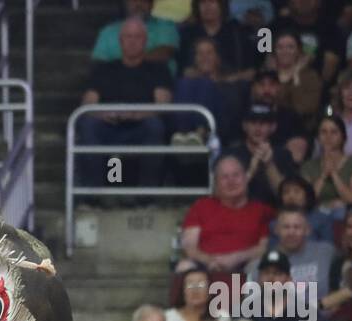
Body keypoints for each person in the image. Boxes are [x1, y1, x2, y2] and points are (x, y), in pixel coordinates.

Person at [77, 17, 173, 188]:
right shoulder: (104, 69)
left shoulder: (158, 69)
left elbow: (163, 104)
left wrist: (136, 114)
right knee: (88, 124)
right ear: (120, 41)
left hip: (140, 127)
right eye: (128, 37)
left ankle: (147, 195)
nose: (132, 42)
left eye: (137, 37)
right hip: (108, 126)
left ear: (145, 41)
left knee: (155, 126)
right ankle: (93, 197)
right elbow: (87, 104)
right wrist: (103, 114)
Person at [178, 154, 273, 271]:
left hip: (246, 266)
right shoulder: (201, 206)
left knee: (258, 267)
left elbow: (264, 248)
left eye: (236, 175)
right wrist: (211, 261)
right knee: (184, 267)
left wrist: (236, 258)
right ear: (216, 184)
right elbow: (189, 247)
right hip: (206, 267)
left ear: (246, 178)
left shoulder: (261, 210)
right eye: (224, 177)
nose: (231, 181)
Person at [299, 115, 352, 229]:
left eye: (334, 132)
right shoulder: (308, 166)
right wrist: (323, 175)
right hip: (315, 214)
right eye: (323, 132)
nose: (328, 136)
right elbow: (304, 202)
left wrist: (334, 175)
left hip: (343, 215)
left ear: (343, 137)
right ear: (318, 137)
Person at [223, 103, 297, 205]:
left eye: (263, 123)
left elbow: (288, 199)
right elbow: (222, 195)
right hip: (238, 212)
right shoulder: (230, 155)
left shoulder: (284, 155)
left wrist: (269, 164)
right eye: (253, 122)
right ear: (244, 126)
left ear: (273, 127)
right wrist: (251, 171)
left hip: (274, 216)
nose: (257, 128)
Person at [177, 0, 257, 81]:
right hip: (196, 87)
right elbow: (182, 69)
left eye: (212, 2)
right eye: (203, 2)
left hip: (232, 87)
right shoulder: (187, 34)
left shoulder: (237, 32)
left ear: (222, 5)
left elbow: (251, 71)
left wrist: (227, 79)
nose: (207, 7)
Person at [95, 0, 179, 71]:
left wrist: (128, 65)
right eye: (134, 0)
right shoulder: (108, 31)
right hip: (116, 83)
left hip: (157, 84)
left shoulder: (165, 26)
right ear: (126, 3)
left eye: (144, 1)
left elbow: (164, 53)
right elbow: (99, 62)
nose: (139, 4)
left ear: (152, 4)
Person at [164, 265, 230, 321]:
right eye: (190, 284)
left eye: (201, 284)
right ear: (182, 291)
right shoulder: (168, 317)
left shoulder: (222, 317)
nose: (195, 290)